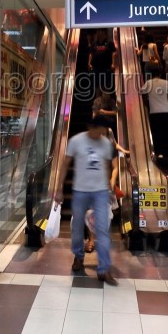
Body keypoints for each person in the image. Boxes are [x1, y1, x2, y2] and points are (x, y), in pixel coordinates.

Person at [54, 115, 119, 285]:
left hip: (100, 192)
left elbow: (107, 166)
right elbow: (65, 164)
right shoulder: (76, 141)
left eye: (105, 130)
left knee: (103, 230)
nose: (103, 133)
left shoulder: (106, 143)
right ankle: (78, 256)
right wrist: (59, 188)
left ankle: (103, 269)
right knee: (76, 228)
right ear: (92, 127)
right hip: (80, 191)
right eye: (101, 129)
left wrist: (109, 187)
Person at [141, 65, 168, 158]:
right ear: (160, 74)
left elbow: (141, 92)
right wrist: (166, 101)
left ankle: (159, 153)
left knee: (157, 132)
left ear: (151, 75)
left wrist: (147, 100)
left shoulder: (148, 83)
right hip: (165, 110)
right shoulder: (165, 82)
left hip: (154, 112)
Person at [88, 32, 116, 96]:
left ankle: (105, 103)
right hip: (96, 68)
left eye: (100, 31)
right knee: (97, 85)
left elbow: (113, 53)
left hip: (106, 68)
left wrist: (113, 64)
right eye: (98, 31)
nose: (98, 33)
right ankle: (98, 102)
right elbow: (91, 54)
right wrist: (89, 63)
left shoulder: (109, 42)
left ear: (104, 33)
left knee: (106, 86)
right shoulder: (94, 43)